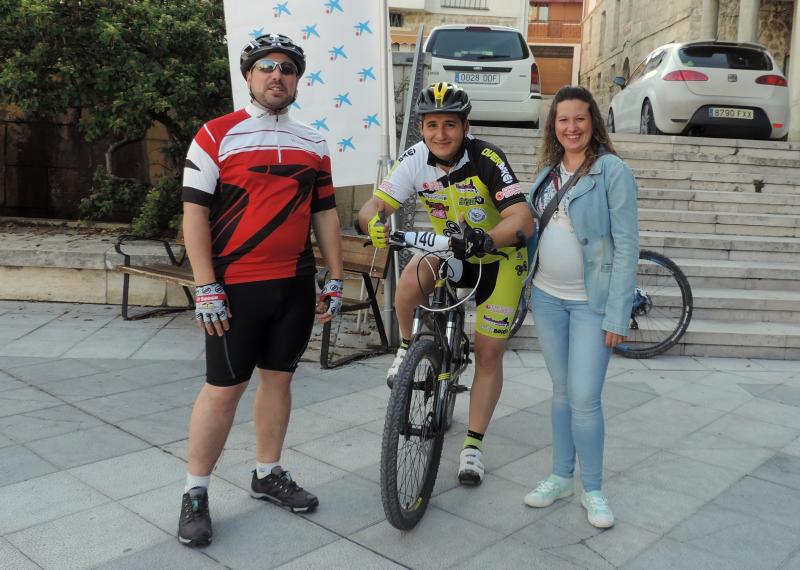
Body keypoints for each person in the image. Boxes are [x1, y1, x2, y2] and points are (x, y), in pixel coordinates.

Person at [177, 33, 344, 547]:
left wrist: (335, 274)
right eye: (267, 67)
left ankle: (267, 473)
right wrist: (205, 284)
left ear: (297, 79)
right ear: (249, 76)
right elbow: (194, 213)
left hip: (293, 286)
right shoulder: (215, 134)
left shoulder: (314, 141)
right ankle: (195, 492)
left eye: (288, 68)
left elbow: (325, 212)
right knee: (223, 389)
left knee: (279, 382)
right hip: (234, 288)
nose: (278, 75)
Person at [356, 82, 534, 486]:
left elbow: (522, 219)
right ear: (421, 128)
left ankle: (473, 445)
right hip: (451, 251)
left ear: (465, 126)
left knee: (490, 354)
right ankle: (406, 347)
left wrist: (488, 238)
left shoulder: (487, 157)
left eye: (450, 125)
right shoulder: (415, 159)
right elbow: (374, 206)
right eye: (432, 125)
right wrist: (374, 222)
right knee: (409, 282)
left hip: (499, 258)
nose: (440, 134)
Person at [522, 85, 638, 529]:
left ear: (594, 123)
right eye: (563, 120)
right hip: (549, 299)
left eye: (580, 119)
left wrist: (617, 313)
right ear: (554, 126)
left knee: (586, 398)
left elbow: (627, 246)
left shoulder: (612, 171)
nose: (571, 127)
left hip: (593, 304)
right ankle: (559, 476)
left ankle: (593, 488)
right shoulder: (547, 174)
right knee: (562, 392)